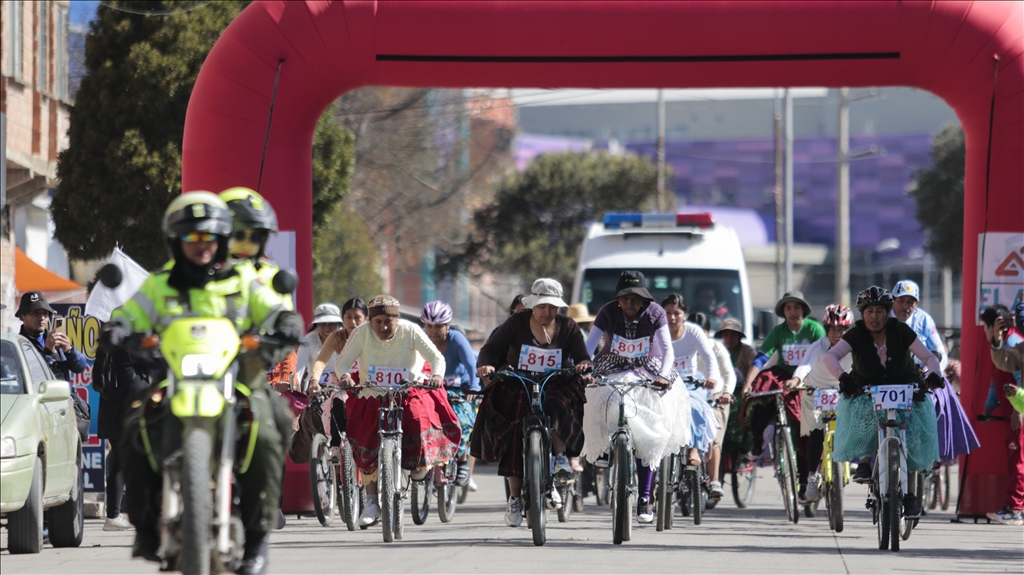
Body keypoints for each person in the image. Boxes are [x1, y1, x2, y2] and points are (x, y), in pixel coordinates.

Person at [102, 192, 301, 574]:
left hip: (234, 379)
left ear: (222, 240)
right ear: (176, 242)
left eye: (209, 238)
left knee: (271, 425)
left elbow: (274, 309)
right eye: (192, 239)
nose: (202, 246)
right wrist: (118, 328)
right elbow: (132, 311)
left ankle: (258, 540)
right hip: (175, 379)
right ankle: (144, 526)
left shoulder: (242, 282)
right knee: (133, 424)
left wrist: (286, 324)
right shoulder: (160, 284)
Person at [473, 278, 592, 527]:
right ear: (532, 305)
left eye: (552, 307)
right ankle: (515, 499)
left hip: (556, 381)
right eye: (542, 307)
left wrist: (583, 365)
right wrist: (486, 365)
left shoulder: (568, 327)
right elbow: (490, 349)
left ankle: (560, 457)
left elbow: (583, 356)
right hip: (519, 382)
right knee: (513, 434)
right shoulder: (516, 322)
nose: (547, 312)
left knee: (562, 401)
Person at [334, 295, 460, 527]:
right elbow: (342, 363)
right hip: (372, 393)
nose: (383, 327)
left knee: (417, 417)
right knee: (366, 437)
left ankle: (418, 464)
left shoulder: (410, 331)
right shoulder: (361, 333)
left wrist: (436, 376)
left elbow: (436, 358)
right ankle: (372, 501)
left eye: (388, 322)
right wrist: (344, 376)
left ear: (397, 319)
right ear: (371, 321)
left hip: (407, 391)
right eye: (378, 321)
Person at [823, 286, 944, 519]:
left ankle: (910, 496)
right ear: (862, 314)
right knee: (864, 413)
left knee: (910, 438)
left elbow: (928, 356)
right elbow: (831, 356)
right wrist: (842, 376)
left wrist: (933, 374)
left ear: (887, 313)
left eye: (879, 311)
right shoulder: (856, 333)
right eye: (869, 311)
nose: (874, 317)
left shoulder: (900, 330)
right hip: (866, 386)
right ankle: (866, 461)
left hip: (905, 385)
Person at [583, 274, 689, 523]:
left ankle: (644, 497)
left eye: (636, 299)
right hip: (613, 364)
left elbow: (667, 349)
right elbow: (589, 345)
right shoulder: (607, 312)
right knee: (597, 394)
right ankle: (606, 447)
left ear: (644, 300)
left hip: (648, 366)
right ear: (618, 299)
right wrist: (585, 367)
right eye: (625, 298)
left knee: (649, 423)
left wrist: (663, 376)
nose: (630, 303)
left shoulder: (655, 313)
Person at [740, 291, 825, 458]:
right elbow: (760, 359)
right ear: (784, 312)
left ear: (803, 310)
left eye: (797, 307)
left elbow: (824, 357)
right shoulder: (779, 331)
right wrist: (748, 383)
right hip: (783, 376)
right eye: (788, 308)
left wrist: (809, 377)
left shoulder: (814, 329)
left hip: (810, 376)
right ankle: (757, 439)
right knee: (761, 388)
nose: (793, 312)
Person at [789, 304, 853, 502]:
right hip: (816, 392)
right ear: (827, 329)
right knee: (817, 431)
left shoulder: (854, 346)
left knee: (857, 424)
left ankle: (857, 461)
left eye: (842, 329)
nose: (838, 333)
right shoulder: (817, 346)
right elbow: (804, 366)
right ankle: (811, 476)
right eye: (833, 329)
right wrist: (795, 380)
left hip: (844, 391)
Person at [421, 301, 480, 486]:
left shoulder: (457, 339)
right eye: (429, 326)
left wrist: (474, 388)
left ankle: (462, 460)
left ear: (447, 325)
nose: (433, 331)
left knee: (462, 421)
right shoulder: (420, 339)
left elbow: (471, 366)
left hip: (457, 388)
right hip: (429, 388)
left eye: (439, 326)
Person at [95, 350, 150, 531]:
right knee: (121, 461)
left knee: (122, 460)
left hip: (114, 409)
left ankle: (116, 514)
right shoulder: (130, 344)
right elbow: (153, 360)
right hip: (126, 409)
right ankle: (113, 515)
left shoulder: (113, 341)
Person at [981, 304, 1024, 525]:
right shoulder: (1003, 344)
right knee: (1015, 460)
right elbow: (996, 375)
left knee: (1019, 462)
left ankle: (1015, 509)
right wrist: (990, 405)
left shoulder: (1014, 343)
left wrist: (1019, 411)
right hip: (1012, 413)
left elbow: (1020, 380)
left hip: (1019, 413)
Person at [689, 309, 737, 501]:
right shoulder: (682, 347)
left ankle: (714, 480)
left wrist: (726, 393)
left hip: (715, 398)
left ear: (708, 333)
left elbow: (729, 374)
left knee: (713, 437)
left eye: (702, 332)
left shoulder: (716, 348)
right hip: (689, 397)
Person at [15, 291, 87, 382]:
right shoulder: (17, 344)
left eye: (45, 314)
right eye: (35, 313)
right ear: (22, 317)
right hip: (39, 395)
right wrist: (48, 353)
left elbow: (80, 367)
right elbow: (27, 375)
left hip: (64, 395)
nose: (41, 318)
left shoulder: (55, 338)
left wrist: (69, 350)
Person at [891, 280, 948, 371]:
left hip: (920, 377)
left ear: (917, 304)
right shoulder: (882, 318)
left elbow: (940, 353)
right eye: (901, 301)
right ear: (892, 300)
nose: (905, 306)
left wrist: (933, 374)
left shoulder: (925, 320)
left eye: (910, 302)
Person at [297, 303, 343, 384]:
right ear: (316, 325)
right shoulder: (308, 340)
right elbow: (298, 368)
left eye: (332, 324)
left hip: (344, 388)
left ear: (338, 324)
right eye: (322, 323)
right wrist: (294, 384)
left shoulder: (349, 339)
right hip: (315, 389)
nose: (327, 328)